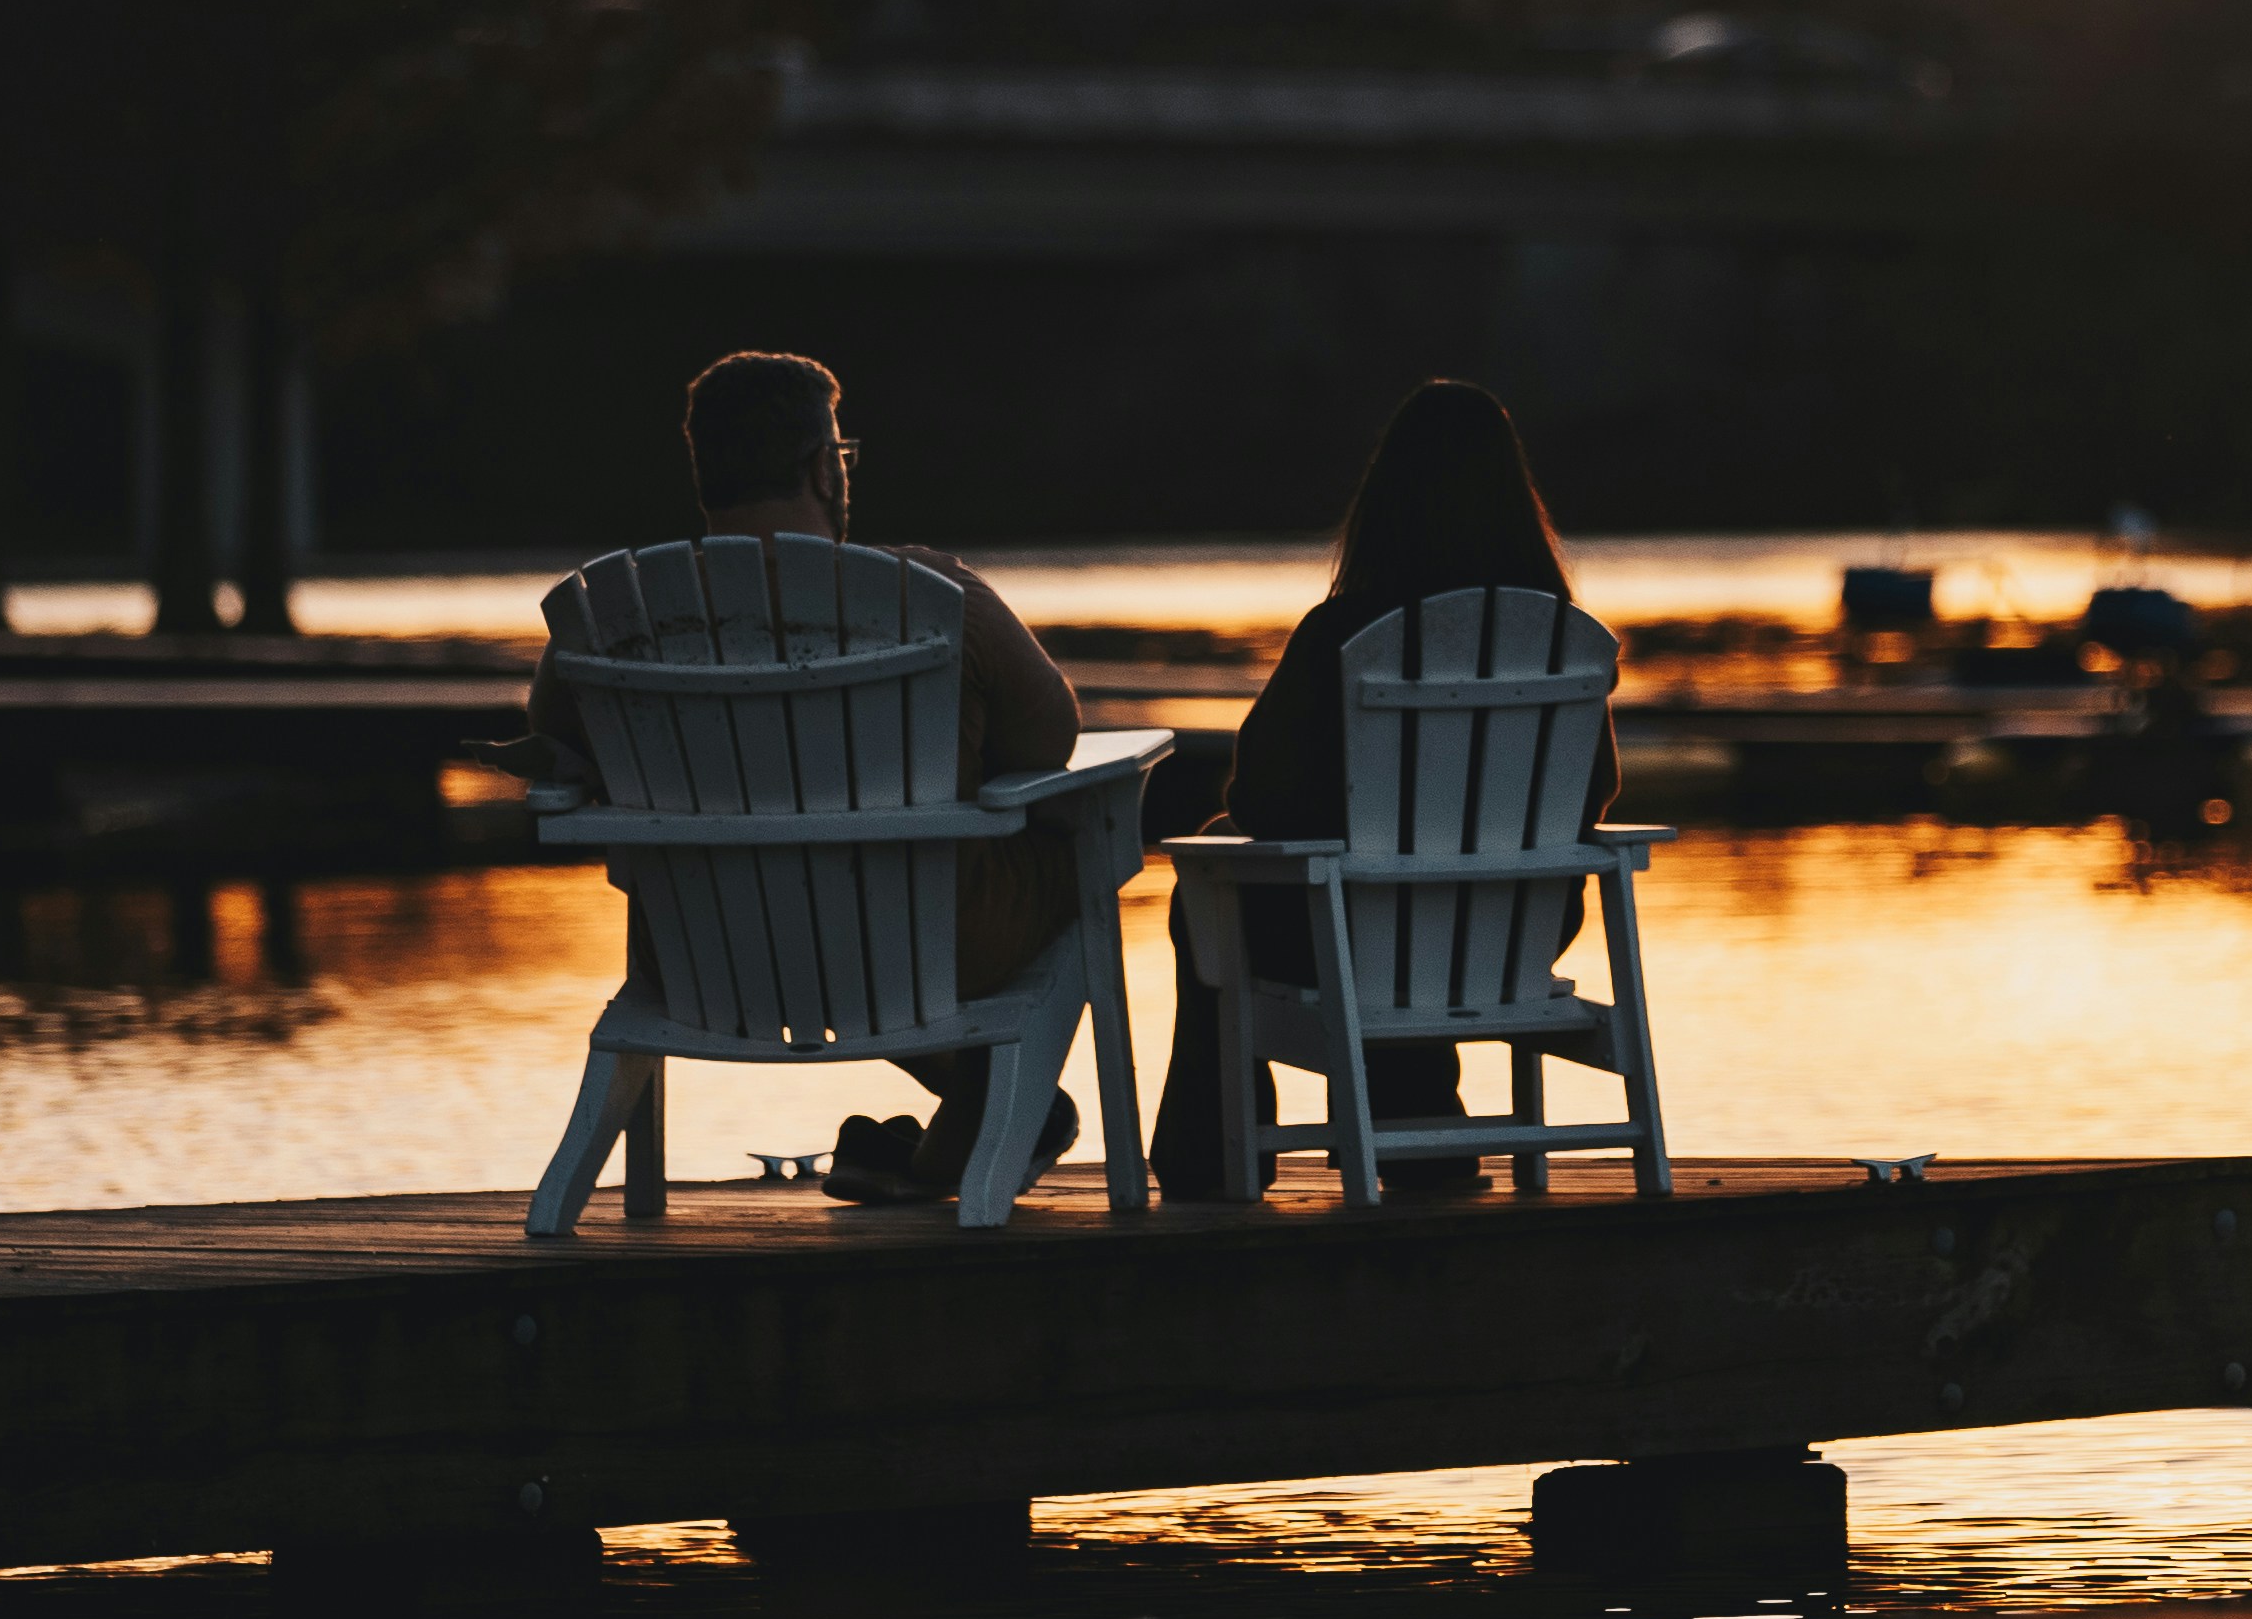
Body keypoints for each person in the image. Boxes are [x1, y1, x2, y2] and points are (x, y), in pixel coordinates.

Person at [530, 349, 1115, 1210]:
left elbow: (552, 740)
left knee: (825, 919)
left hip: (701, 951)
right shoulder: (933, 593)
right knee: (1086, 844)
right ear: (819, 468)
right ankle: (997, 1117)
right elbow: (1050, 738)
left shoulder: (612, 612)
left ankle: (969, 1126)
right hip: (919, 941)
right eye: (840, 455)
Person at [1153, 377, 1600, 1203]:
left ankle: (1213, 1152)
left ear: (1383, 502)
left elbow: (1263, 798)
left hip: (1357, 931)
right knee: (1397, 912)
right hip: (1516, 933)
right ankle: (1418, 1119)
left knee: (1208, 880)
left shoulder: (1341, 633)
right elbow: (1596, 789)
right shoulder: (1561, 633)